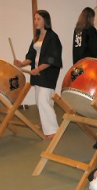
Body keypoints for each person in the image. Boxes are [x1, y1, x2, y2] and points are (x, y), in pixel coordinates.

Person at [14, 10, 63, 140]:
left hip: (47, 72)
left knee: (42, 100)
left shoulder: (53, 37)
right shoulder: (36, 38)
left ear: (45, 21)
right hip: (37, 73)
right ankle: (45, 123)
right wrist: (21, 64)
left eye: (38, 19)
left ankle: (53, 130)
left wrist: (39, 68)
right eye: (35, 19)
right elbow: (31, 56)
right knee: (42, 99)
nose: (35, 21)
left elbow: (53, 58)